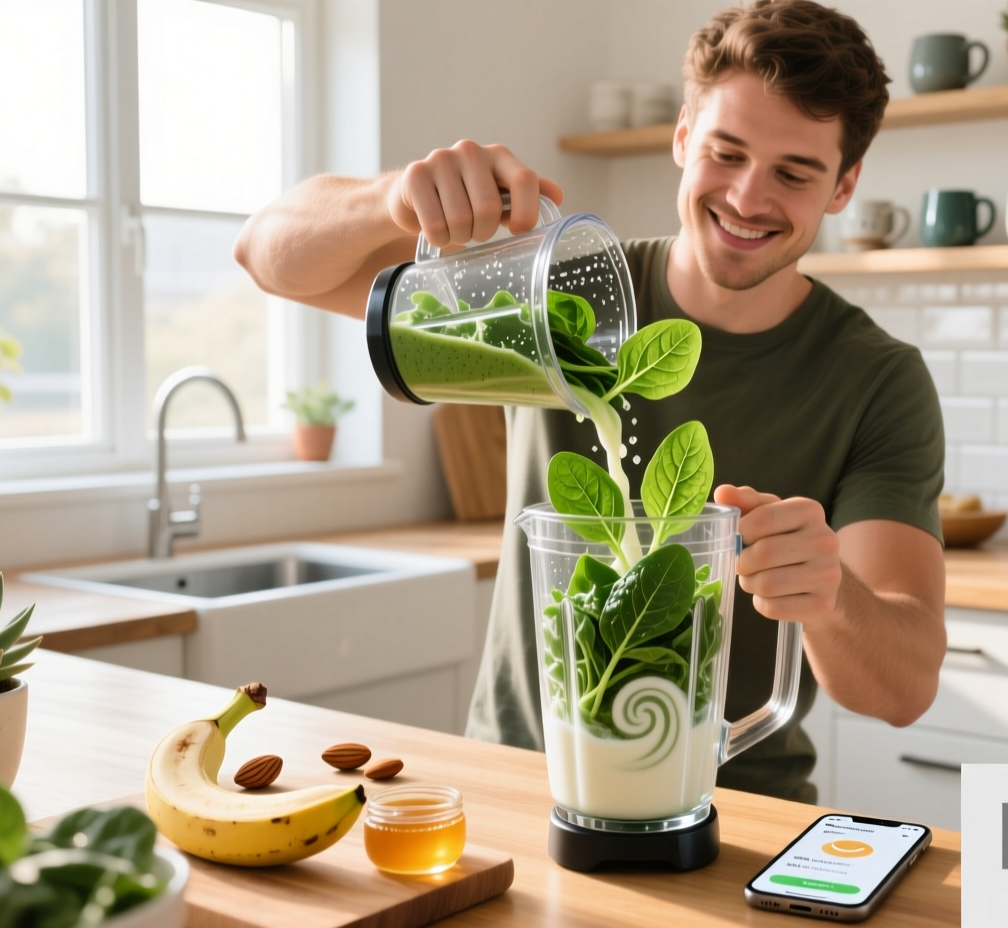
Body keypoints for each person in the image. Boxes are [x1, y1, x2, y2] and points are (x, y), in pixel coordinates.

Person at [234, 0, 946, 803]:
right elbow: (264, 253)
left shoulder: (875, 379)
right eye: (726, 152)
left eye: (794, 172)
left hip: (739, 815)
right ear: (683, 139)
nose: (749, 198)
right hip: (513, 789)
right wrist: (391, 200)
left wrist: (831, 593)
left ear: (844, 184)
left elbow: (903, 689)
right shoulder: (557, 289)